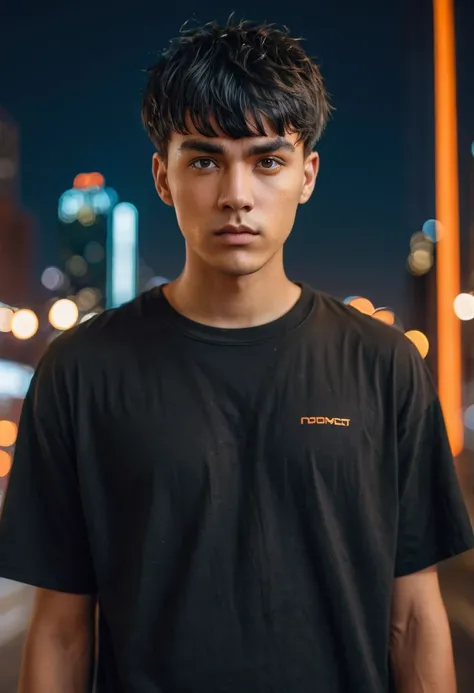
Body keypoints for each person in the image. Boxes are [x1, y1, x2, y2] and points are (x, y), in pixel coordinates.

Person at [0, 18, 473, 693]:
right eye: (204, 159)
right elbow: (60, 628)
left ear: (306, 174)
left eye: (266, 159)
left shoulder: (384, 363)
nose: (236, 195)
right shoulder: (81, 369)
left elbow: (414, 617)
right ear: (163, 176)